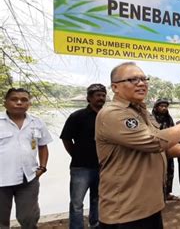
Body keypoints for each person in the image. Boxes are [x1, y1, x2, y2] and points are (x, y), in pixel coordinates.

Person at [95, 62, 180, 229]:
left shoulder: (141, 112)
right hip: (125, 212)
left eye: (144, 79)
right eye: (132, 79)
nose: (141, 83)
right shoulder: (113, 114)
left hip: (150, 207)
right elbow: (155, 142)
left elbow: (161, 149)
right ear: (115, 87)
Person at [0, 88, 53, 228]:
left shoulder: (37, 122)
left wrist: (42, 168)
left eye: (24, 100)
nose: (19, 102)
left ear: (29, 104)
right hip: (1, 180)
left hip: (28, 178)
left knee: (29, 218)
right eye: (14, 99)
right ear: (5, 102)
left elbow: (43, 146)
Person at [60, 84, 107, 229]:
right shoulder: (77, 116)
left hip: (102, 166)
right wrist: (76, 155)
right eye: (97, 95)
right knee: (76, 203)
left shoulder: (107, 116)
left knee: (97, 199)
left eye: (103, 95)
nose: (101, 98)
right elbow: (66, 138)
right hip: (80, 168)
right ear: (89, 98)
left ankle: (95, 224)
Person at [151, 98, 178, 201]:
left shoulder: (169, 118)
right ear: (156, 107)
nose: (164, 108)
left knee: (169, 171)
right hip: (155, 151)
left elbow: (174, 131)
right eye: (161, 106)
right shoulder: (151, 119)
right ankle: (156, 195)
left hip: (168, 150)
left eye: (165, 106)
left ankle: (167, 193)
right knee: (156, 173)